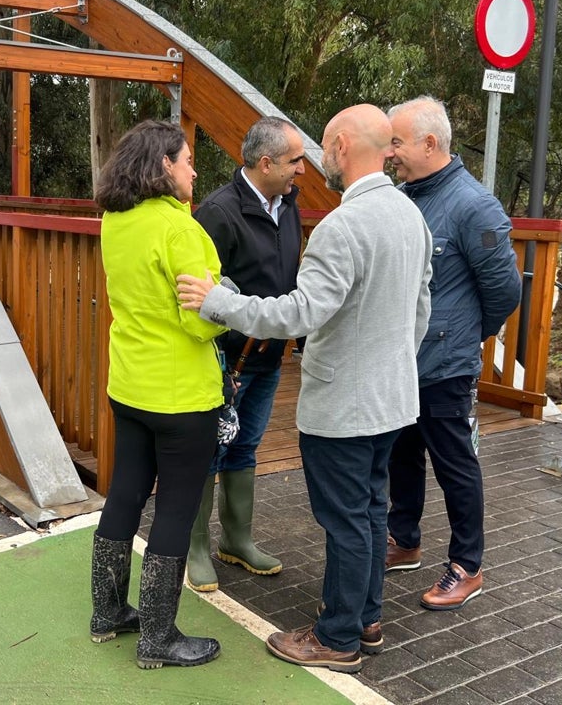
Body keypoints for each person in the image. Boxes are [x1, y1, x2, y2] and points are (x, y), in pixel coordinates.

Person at [177, 104, 431, 674]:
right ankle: (364, 618)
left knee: (345, 520)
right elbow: (421, 307)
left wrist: (218, 302)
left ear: (342, 146)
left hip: (344, 406)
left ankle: (337, 638)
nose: (314, 161)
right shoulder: (409, 214)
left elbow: (300, 312)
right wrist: (392, 364)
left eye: (321, 147)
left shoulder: (343, 225)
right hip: (392, 400)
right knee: (368, 511)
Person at [89, 119, 228, 670]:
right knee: (175, 507)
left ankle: (108, 613)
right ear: (164, 165)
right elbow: (200, 322)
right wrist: (225, 301)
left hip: (129, 383)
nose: (195, 170)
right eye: (187, 160)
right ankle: (158, 637)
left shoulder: (115, 222)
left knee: (125, 491)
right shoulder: (183, 232)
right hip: (181, 394)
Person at [383, 96, 521, 611]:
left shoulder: (473, 205)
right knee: (403, 453)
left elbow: (504, 291)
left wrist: (465, 334)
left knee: (454, 463)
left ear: (430, 143)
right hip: (404, 358)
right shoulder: (405, 197)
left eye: (396, 142)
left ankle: (467, 566)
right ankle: (405, 540)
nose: (390, 152)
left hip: (446, 363)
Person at [186, 116, 306, 592]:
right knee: (208, 450)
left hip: (270, 357)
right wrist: (219, 361)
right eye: (295, 160)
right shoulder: (218, 212)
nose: (302, 169)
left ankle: (237, 539)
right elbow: (200, 294)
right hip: (226, 361)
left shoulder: (289, 205)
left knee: (245, 447)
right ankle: (195, 545)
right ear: (265, 162)